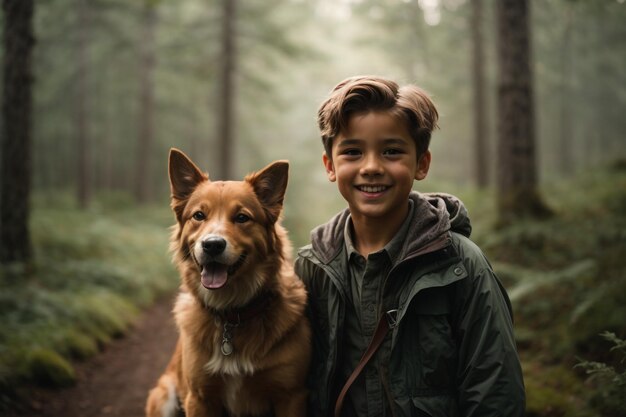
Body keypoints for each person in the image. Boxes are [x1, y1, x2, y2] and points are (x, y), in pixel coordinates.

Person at [294, 75, 525, 417]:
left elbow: (495, 390)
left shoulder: (461, 265)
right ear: (331, 165)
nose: (371, 167)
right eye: (353, 152)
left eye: (392, 151)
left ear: (421, 163)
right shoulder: (312, 268)